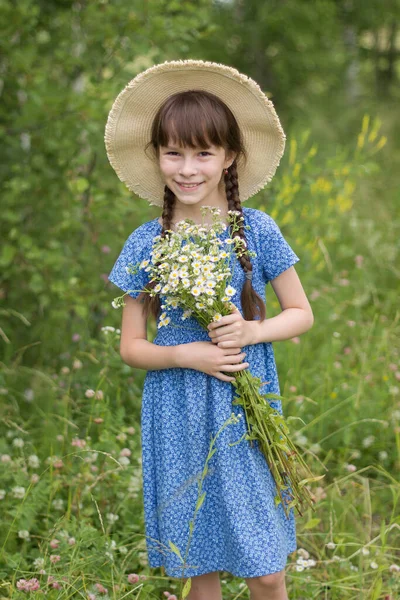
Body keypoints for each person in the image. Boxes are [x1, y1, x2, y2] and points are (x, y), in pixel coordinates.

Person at [105, 60, 314, 600]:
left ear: (229, 158)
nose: (188, 168)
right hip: (178, 411)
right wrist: (185, 355)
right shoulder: (146, 242)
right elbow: (131, 346)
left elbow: (301, 313)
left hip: (245, 411)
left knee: (266, 567)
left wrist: (249, 331)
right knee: (204, 562)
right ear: (157, 157)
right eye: (174, 152)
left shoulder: (256, 230)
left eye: (203, 153)